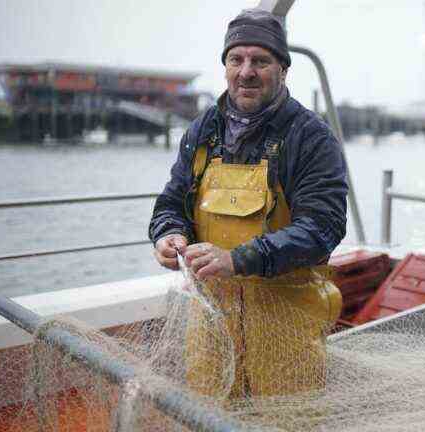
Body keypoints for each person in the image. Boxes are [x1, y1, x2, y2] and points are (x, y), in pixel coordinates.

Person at [148, 8, 345, 399]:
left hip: (285, 329)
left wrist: (238, 259)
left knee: (288, 421)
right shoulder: (204, 129)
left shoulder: (310, 137)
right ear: (225, 67)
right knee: (209, 413)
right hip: (211, 326)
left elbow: (323, 226)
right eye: (236, 59)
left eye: (261, 61)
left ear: (283, 70)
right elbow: (172, 201)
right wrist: (168, 232)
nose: (246, 71)